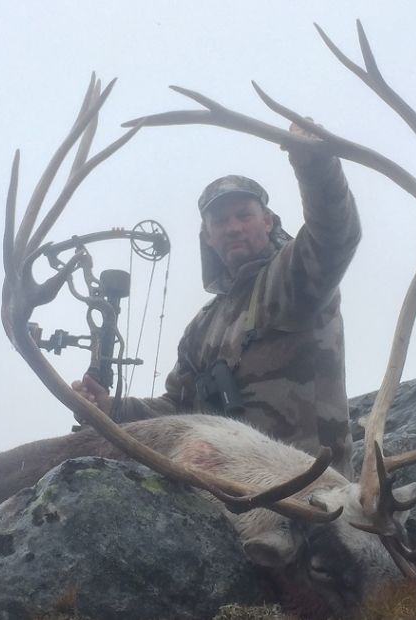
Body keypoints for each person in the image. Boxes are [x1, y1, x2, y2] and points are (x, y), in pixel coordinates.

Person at [73, 130, 361, 477]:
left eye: (244, 215)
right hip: (233, 492)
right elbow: (178, 408)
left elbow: (335, 234)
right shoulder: (202, 326)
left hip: (312, 491)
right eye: (220, 221)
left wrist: (316, 167)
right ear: (207, 237)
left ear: (267, 221)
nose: (233, 227)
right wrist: (112, 409)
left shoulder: (292, 278)